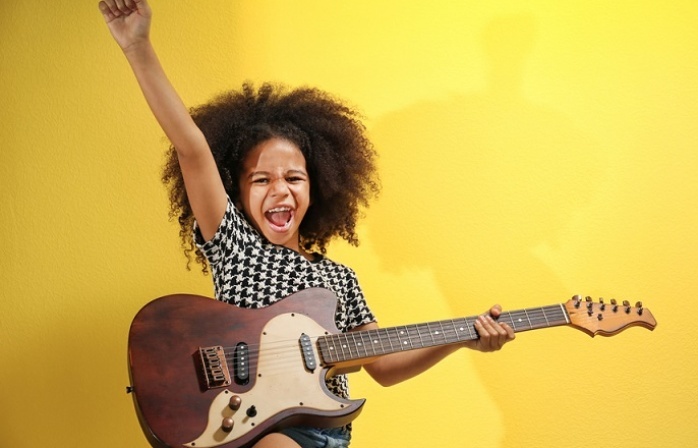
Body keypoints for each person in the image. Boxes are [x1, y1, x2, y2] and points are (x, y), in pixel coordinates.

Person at [98, 0, 515, 447]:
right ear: (237, 193)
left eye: (294, 178)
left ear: (317, 187)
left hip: (321, 434)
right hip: (248, 425)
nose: (280, 190)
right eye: (261, 180)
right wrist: (137, 46)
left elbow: (385, 368)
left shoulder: (339, 279)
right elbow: (191, 148)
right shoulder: (236, 246)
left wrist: (462, 338)